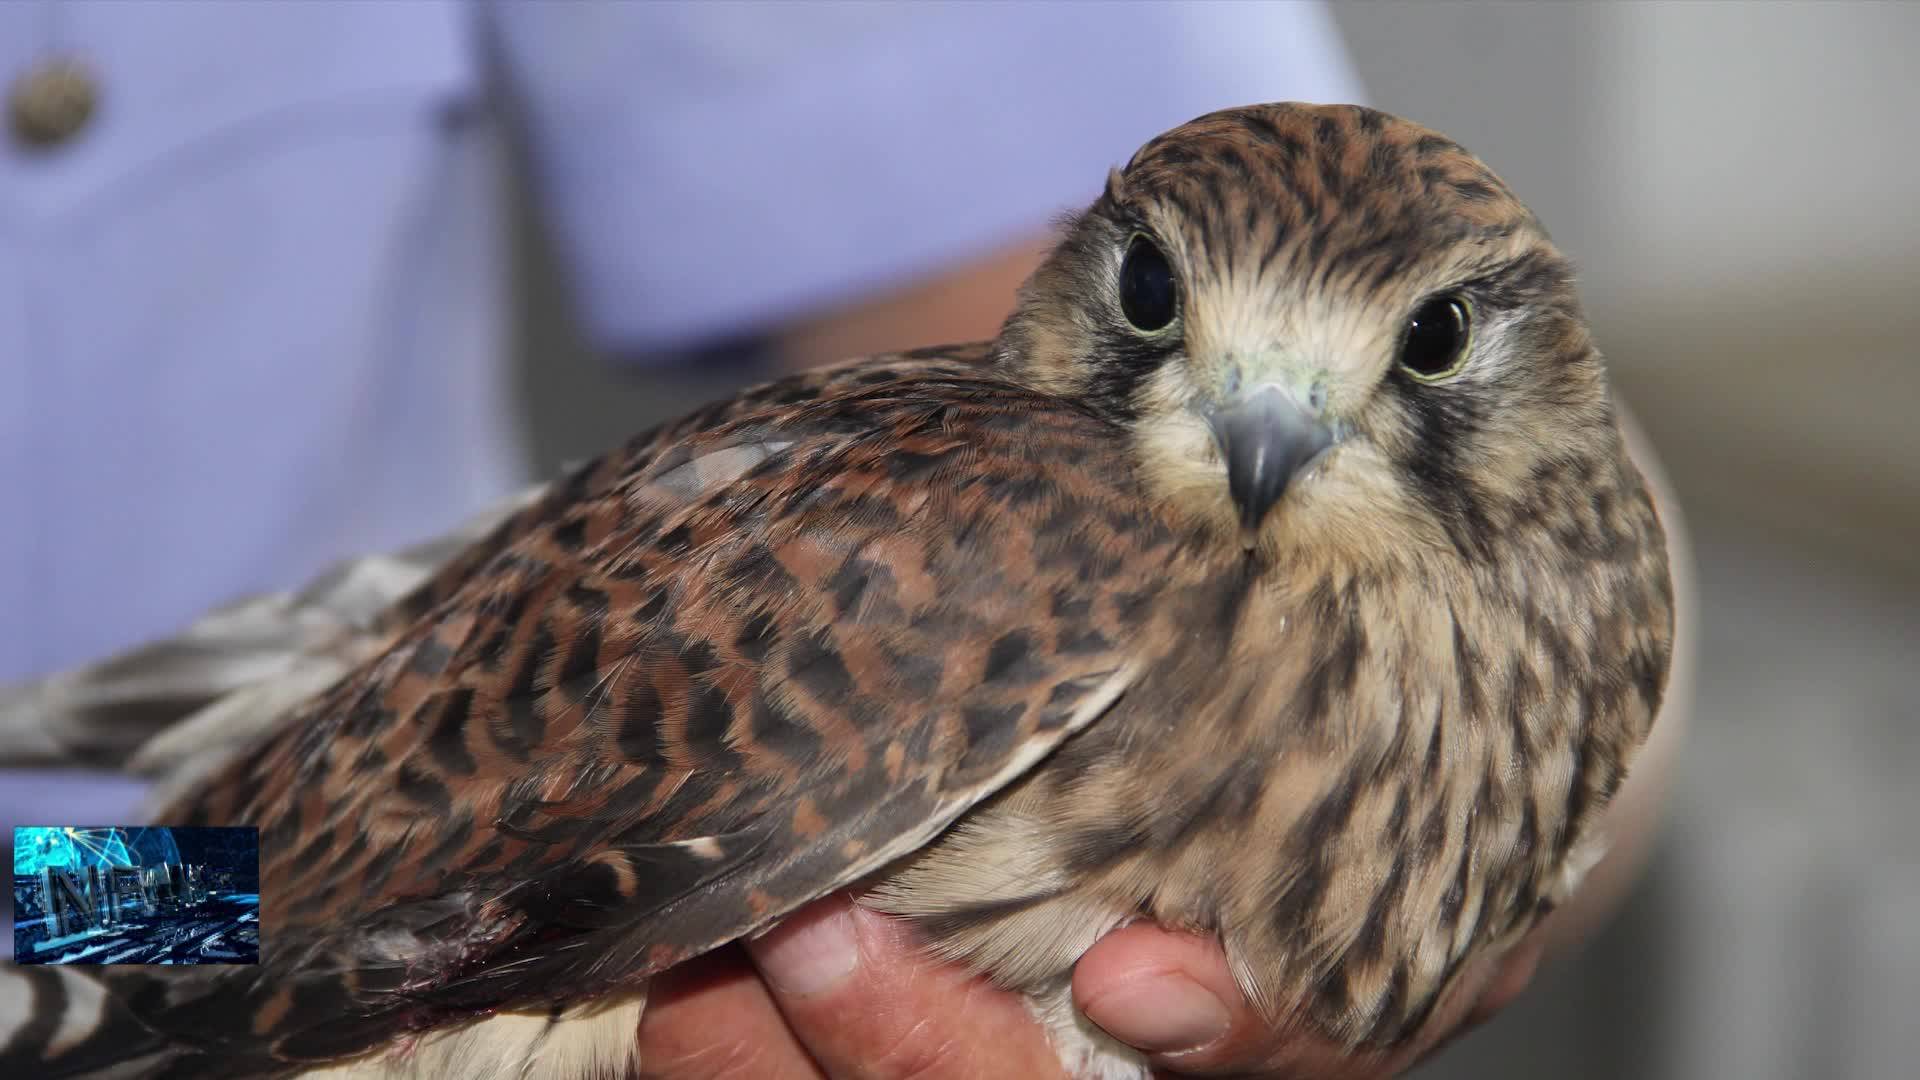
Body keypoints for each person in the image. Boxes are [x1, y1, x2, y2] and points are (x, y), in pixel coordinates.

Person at [0, 3, 1690, 1074]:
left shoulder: (1581, 582)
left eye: (1426, 349)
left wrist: (1450, 918)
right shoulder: (1022, 556)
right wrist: (63, 928)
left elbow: (1617, 751)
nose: (1262, 438)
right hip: (208, 880)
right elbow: (291, 921)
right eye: (1165, 308)